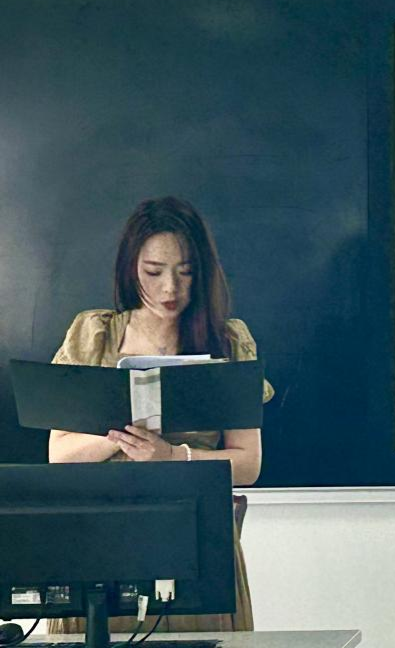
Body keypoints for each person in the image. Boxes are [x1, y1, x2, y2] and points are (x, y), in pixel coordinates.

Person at [46, 197, 273, 634]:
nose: (170, 289)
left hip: (194, 534)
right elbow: (60, 454)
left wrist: (171, 455)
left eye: (186, 272)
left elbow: (247, 464)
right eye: (154, 272)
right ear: (131, 268)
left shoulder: (228, 341)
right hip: (99, 534)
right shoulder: (94, 335)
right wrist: (122, 434)